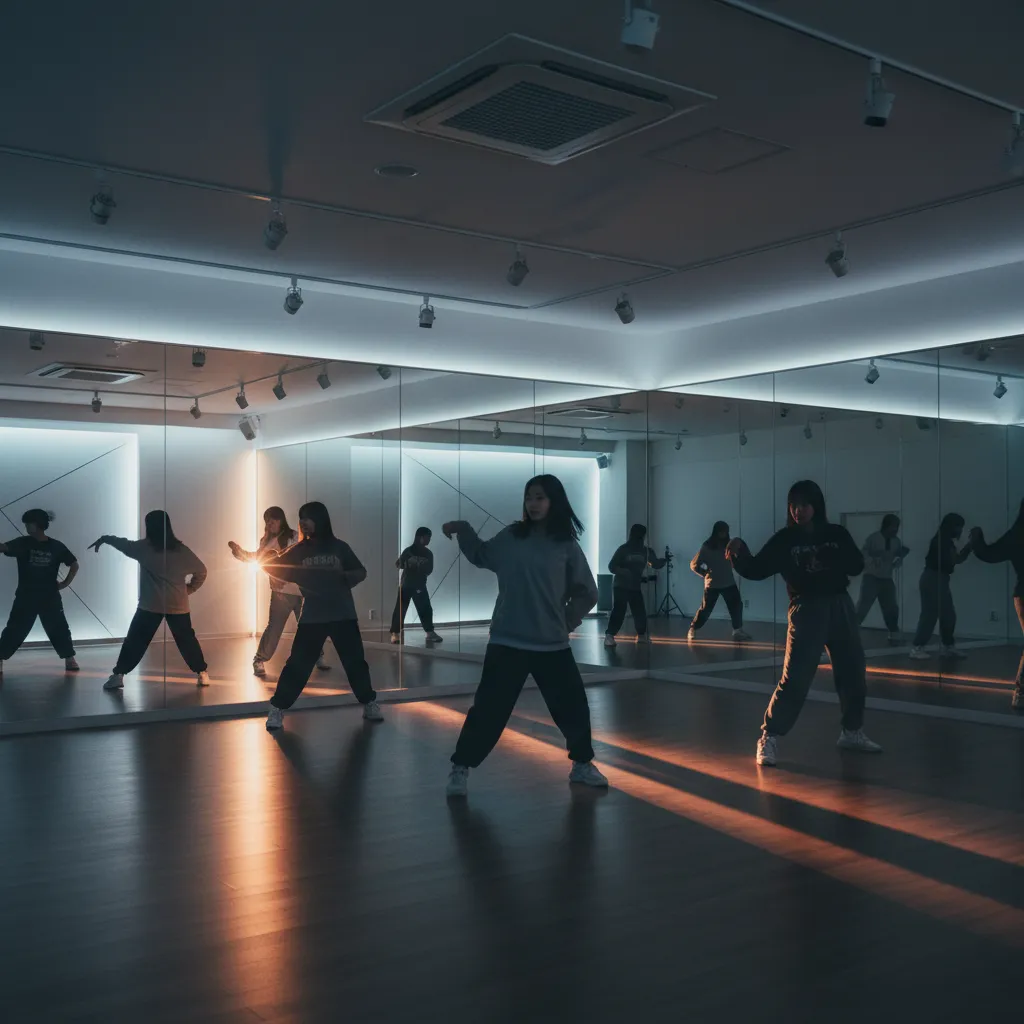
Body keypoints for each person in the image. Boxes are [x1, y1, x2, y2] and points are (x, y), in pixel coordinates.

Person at [442, 474, 607, 797]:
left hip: (552, 645)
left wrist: (566, 622)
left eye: (540, 497)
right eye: (529, 497)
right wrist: (463, 530)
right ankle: (460, 768)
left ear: (554, 502)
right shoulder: (511, 537)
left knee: (572, 708)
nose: (533, 503)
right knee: (488, 710)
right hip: (507, 641)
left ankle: (582, 765)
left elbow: (587, 592)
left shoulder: (565, 546)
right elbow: (482, 555)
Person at [727, 479, 882, 767]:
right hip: (806, 607)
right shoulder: (785, 539)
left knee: (853, 672)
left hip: (839, 603)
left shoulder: (835, 533)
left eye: (804, 504)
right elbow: (758, 568)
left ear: (816, 505)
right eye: (793, 505)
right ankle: (769, 736)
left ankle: (852, 731)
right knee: (796, 677)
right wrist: (738, 551)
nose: (799, 510)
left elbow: (856, 565)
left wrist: (837, 556)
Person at [236, 501, 382, 730]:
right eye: (301, 517)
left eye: (308, 517)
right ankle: (277, 708)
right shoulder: (299, 550)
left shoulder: (339, 547)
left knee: (355, 663)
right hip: (313, 616)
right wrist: (292, 575)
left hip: (343, 614)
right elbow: (272, 565)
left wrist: (343, 579)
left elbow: (360, 571)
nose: (303, 522)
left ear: (320, 519)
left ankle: (369, 702)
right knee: (298, 665)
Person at [91, 510, 209, 690]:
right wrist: (189, 589)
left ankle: (118, 675)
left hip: (150, 605)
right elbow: (201, 571)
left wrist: (105, 538)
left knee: (135, 640)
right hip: (177, 603)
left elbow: (123, 544)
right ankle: (202, 673)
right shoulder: (181, 550)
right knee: (186, 639)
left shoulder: (143, 548)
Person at [229, 506, 330, 677]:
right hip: (281, 592)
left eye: (273, 520)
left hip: (302, 590)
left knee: (310, 626)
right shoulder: (265, 541)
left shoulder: (294, 536)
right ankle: (259, 660)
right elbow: (258, 558)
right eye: (267, 521)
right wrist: (240, 553)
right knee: (274, 628)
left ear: (281, 520)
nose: (270, 524)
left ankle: (318, 656)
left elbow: (303, 557)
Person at [0, 509, 79, 678]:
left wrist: (64, 584)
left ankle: (69, 658)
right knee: (15, 628)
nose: (26, 526)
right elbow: (4, 548)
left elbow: (74, 564)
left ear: (37, 525)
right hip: (26, 595)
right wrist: (64, 584)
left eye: (29, 523)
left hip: (49, 596)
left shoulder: (56, 546)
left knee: (59, 627)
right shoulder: (23, 543)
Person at [969, 503, 1024, 710]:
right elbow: (990, 554)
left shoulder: (1017, 534)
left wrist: (977, 539)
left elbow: (990, 554)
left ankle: (1020, 694)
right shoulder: (1019, 534)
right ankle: (1020, 693)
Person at [910, 514, 972, 660]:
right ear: (951, 526)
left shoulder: (945, 541)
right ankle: (917, 647)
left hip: (939, 579)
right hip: (933, 579)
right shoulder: (941, 541)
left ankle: (947, 646)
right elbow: (955, 559)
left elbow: (956, 559)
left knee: (948, 614)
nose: (960, 530)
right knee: (930, 615)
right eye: (958, 526)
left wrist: (970, 547)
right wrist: (970, 546)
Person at [687, 521, 751, 642]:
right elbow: (694, 564)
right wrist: (704, 573)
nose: (724, 534)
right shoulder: (707, 547)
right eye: (721, 531)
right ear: (716, 532)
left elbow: (738, 558)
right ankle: (693, 628)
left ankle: (737, 631)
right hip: (712, 584)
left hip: (728, 582)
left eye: (725, 531)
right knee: (705, 609)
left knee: (736, 606)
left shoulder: (729, 545)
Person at [604, 524, 665, 648]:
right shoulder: (623, 549)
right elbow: (612, 566)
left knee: (639, 611)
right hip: (621, 586)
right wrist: (624, 572)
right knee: (619, 611)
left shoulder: (646, 551)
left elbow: (655, 564)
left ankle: (641, 635)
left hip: (635, 587)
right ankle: (609, 636)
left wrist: (663, 561)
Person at [856, 514, 910, 642]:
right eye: (893, 527)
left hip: (886, 578)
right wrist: (876, 559)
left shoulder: (896, 541)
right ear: (886, 526)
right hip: (871, 577)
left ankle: (893, 632)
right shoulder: (873, 538)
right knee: (863, 606)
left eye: (897, 527)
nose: (895, 530)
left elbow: (896, 561)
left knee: (891, 607)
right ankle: (851, 631)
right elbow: (863, 554)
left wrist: (900, 557)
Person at [390, 527, 443, 645]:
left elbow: (429, 570)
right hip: (406, 584)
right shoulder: (408, 551)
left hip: (420, 585)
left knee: (425, 608)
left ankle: (430, 632)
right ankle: (395, 633)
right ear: (420, 537)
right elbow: (398, 564)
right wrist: (407, 562)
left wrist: (418, 565)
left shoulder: (428, 554)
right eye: (428, 537)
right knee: (400, 609)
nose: (429, 540)